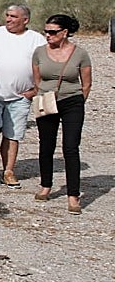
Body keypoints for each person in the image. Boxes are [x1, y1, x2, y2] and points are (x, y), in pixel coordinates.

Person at [0, 5, 45, 187]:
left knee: (13, 134)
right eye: (7, 15)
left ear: (25, 20)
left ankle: (8, 170)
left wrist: (34, 91)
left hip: (21, 96)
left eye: (13, 16)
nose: (8, 19)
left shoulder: (36, 39)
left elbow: (44, 67)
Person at [31, 14, 92, 215]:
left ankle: (73, 195)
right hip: (47, 101)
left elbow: (86, 83)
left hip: (72, 101)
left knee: (70, 147)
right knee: (46, 144)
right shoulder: (39, 52)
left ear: (65, 33)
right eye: (46, 31)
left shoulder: (80, 54)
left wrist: (77, 100)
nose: (48, 35)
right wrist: (43, 96)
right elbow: (37, 80)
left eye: (52, 32)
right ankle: (46, 185)